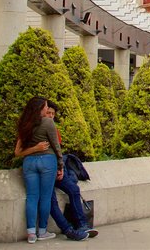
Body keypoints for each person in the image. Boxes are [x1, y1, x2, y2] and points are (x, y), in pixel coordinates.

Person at [43, 101, 97, 241]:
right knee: (51, 200)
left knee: (73, 189)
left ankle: (82, 224)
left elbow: (57, 151)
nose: (50, 116)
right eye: (48, 112)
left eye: (53, 114)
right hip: (43, 172)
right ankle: (68, 230)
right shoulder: (35, 129)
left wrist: (60, 168)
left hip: (57, 169)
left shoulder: (54, 130)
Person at [15, 96, 62, 244]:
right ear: (39, 109)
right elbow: (56, 145)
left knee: (32, 196)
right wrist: (61, 164)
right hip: (47, 161)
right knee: (45, 197)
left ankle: (30, 233)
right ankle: (42, 231)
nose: (47, 110)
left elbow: (17, 152)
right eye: (45, 107)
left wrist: (33, 149)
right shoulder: (48, 122)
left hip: (29, 162)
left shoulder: (24, 124)